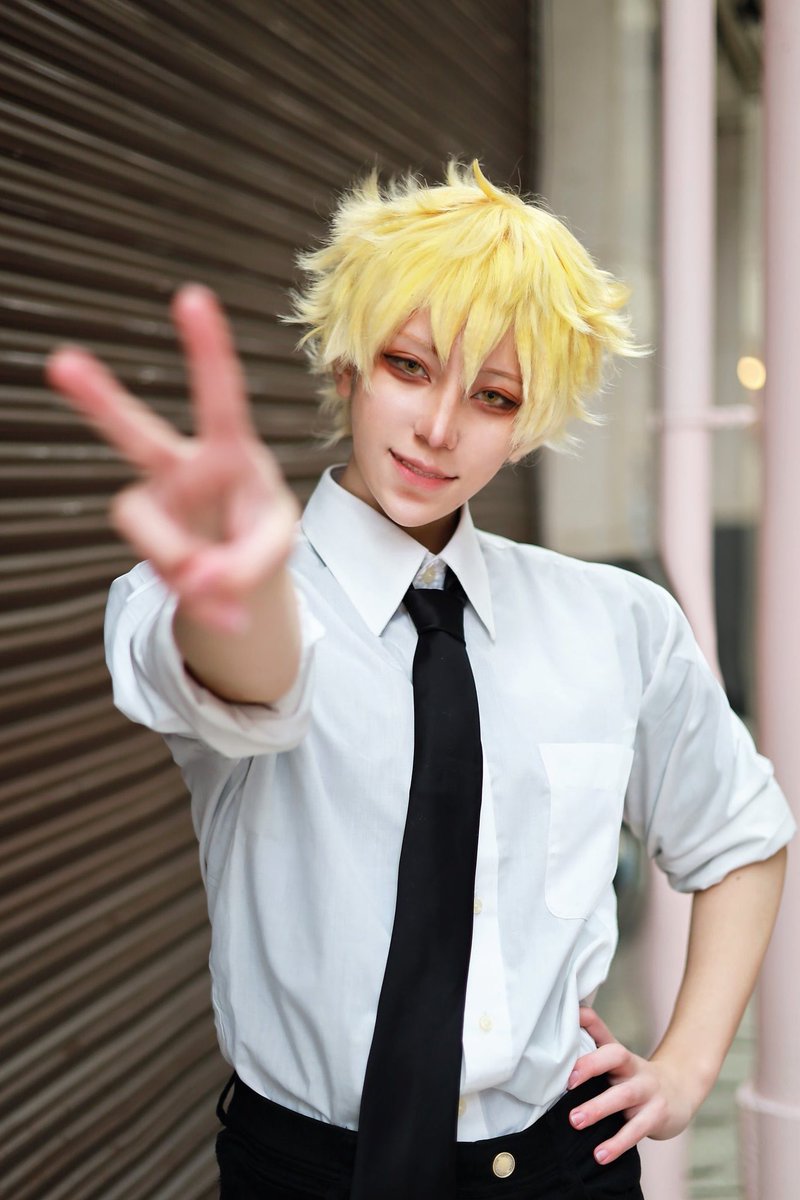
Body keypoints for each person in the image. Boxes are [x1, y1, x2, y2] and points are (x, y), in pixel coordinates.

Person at [47, 161, 793, 1200]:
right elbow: (256, 682)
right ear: (346, 363)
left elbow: (741, 838)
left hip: (557, 1166)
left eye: (493, 396)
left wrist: (685, 1068)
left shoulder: (615, 621)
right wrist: (243, 589)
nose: (440, 428)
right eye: (409, 365)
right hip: (308, 1175)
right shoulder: (229, 599)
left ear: (528, 424)